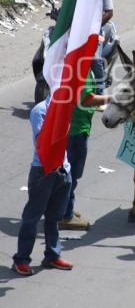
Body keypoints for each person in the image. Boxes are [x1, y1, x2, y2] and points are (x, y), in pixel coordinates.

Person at [12, 97, 73, 276]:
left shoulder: (65, 106)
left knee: (54, 217)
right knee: (32, 217)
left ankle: (52, 255)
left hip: (63, 169)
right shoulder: (39, 111)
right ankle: (21, 259)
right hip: (43, 171)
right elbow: (43, 142)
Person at [59, 72, 111, 230]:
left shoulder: (73, 62)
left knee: (68, 173)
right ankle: (65, 216)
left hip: (70, 126)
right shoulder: (83, 70)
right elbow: (87, 100)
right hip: (76, 130)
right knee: (71, 175)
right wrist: (113, 97)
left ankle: (66, 208)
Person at [91, 0, 114, 96]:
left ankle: (100, 93)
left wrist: (95, 25)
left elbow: (109, 12)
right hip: (76, 30)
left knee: (94, 59)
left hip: (95, 31)